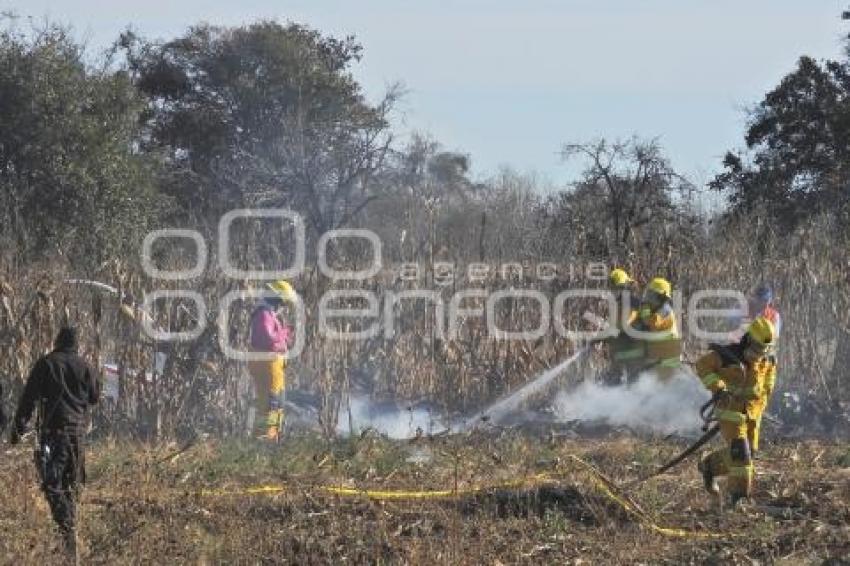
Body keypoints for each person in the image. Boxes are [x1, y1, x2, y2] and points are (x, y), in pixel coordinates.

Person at [9, 327, 100, 560]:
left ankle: (68, 532)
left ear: (57, 341)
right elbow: (94, 398)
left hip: (54, 435)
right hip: (77, 437)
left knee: (52, 485)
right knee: (71, 486)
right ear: (76, 344)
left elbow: (28, 400)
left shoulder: (46, 364)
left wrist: (17, 430)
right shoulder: (86, 366)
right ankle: (69, 543)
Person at [695, 317, 777, 506]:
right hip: (730, 412)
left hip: (752, 416)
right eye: (757, 347)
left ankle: (709, 465)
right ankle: (738, 501)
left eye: (764, 349)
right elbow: (702, 366)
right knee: (741, 454)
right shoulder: (726, 356)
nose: (760, 353)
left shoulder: (768, 361)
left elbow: (767, 385)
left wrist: (761, 405)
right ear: (748, 340)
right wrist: (718, 387)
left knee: (747, 453)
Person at [248, 280, 296, 441]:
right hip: (267, 364)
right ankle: (264, 438)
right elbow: (267, 338)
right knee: (271, 403)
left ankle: (272, 436)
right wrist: (283, 334)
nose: (283, 306)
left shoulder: (268, 314)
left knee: (276, 402)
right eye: (283, 302)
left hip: (272, 365)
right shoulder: (263, 314)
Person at [631, 277, 682, 382]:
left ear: (661, 297)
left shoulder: (665, 310)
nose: (648, 298)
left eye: (652, 296)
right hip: (658, 354)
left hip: (668, 356)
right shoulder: (654, 310)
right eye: (648, 294)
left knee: (662, 386)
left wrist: (644, 310)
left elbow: (651, 323)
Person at [603, 268, 643, 385]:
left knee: (634, 383)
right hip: (624, 350)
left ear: (623, 287)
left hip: (635, 350)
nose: (612, 291)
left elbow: (624, 325)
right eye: (611, 288)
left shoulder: (632, 302)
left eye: (615, 288)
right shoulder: (619, 303)